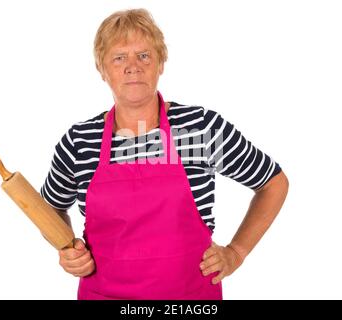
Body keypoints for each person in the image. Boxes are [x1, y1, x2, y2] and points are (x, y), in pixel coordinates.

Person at [40, 8, 289, 300]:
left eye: (144, 55)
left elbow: (273, 182)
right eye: (119, 57)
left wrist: (236, 252)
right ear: (102, 69)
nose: (133, 66)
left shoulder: (200, 129)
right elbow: (50, 208)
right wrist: (67, 248)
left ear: (161, 63)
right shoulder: (79, 141)